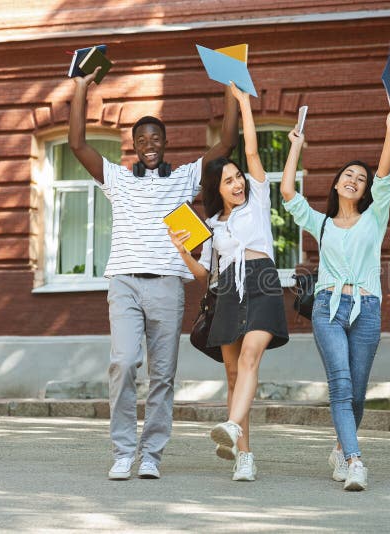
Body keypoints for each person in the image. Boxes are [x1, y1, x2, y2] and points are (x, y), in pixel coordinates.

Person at [68, 67, 239, 480]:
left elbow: (227, 142)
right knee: (124, 364)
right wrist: (80, 87)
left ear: (165, 143)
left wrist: (231, 89)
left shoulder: (183, 179)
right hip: (124, 283)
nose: (148, 145)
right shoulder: (118, 179)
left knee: (163, 374)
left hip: (166, 284)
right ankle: (124, 450)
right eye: (141, 140)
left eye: (155, 139)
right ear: (134, 145)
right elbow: (76, 143)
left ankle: (152, 455)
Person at [170, 83, 290, 482]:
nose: (237, 183)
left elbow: (253, 151)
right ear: (216, 190)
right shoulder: (212, 225)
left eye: (238, 176)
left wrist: (242, 104)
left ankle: (233, 426)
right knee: (234, 375)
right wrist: (182, 249)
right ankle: (244, 456)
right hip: (227, 291)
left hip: (263, 281)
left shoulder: (258, 199)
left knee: (253, 357)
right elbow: (204, 274)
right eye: (229, 181)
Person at [280, 105, 390, 491]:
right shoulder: (321, 223)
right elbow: (286, 193)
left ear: (365, 191)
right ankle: (355, 461)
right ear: (336, 184)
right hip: (327, 309)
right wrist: (295, 147)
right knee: (341, 384)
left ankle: (339, 448)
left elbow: (384, 175)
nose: (355, 179)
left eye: (360, 178)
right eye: (348, 175)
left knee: (358, 391)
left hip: (366, 309)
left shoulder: (375, 218)